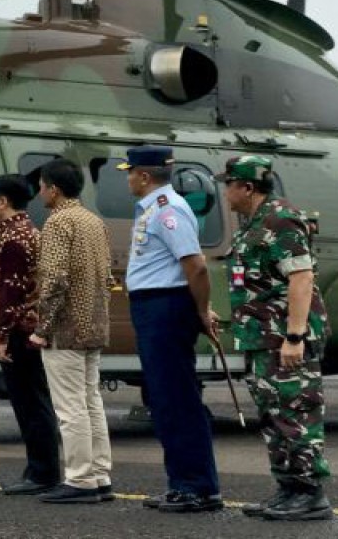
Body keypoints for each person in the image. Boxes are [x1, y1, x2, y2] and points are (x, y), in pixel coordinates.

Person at [219, 155, 332, 520]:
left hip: (285, 337)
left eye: (228, 184)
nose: (225, 191)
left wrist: (295, 337)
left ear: (247, 187)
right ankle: (289, 488)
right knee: (273, 416)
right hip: (261, 338)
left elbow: (302, 277)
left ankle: (310, 493)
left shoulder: (281, 219)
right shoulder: (252, 224)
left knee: (295, 411)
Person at [120, 146, 222, 512]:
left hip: (165, 307)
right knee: (164, 399)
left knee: (177, 398)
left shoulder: (168, 210)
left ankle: (197, 487)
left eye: (130, 172)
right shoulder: (154, 208)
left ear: (144, 175)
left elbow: (196, 266)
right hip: (154, 307)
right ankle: (183, 483)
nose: (128, 178)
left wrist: (202, 310)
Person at [26, 160, 114, 503]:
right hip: (94, 323)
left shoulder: (58, 222)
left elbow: (54, 280)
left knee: (70, 407)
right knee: (91, 402)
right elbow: (107, 276)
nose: (40, 192)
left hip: (65, 328)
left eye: (42, 186)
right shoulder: (94, 221)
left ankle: (80, 479)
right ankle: (100, 474)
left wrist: (42, 328)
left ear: (54, 189)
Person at [0, 175, 60, 496]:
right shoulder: (25, 231)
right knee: (33, 401)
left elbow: (10, 293)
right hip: (26, 329)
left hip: (18, 332)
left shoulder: (15, 238)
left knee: (30, 403)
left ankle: (42, 472)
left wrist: (0, 336)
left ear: (2, 201)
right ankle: (39, 468)